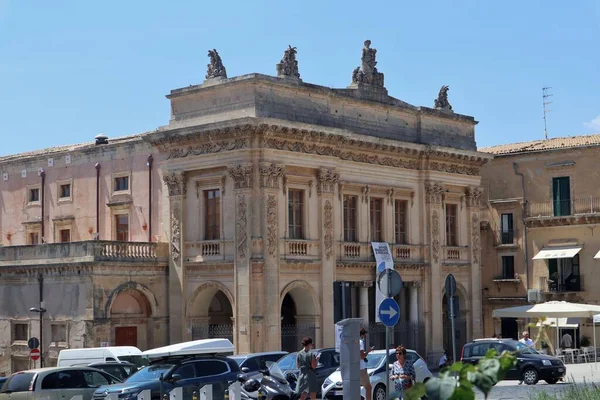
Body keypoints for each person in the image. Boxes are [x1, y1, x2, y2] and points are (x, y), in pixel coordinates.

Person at [360, 328, 374, 400]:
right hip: (361, 369)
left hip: (356, 368)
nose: (366, 336)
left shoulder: (354, 342)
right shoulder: (360, 342)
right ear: (362, 334)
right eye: (365, 334)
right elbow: (362, 356)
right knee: (368, 387)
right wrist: (368, 351)